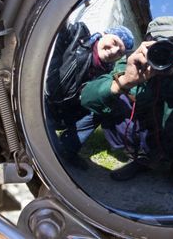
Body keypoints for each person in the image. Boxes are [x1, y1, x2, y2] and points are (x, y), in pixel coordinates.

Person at [80, 16, 173, 191]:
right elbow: (87, 99)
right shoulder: (132, 63)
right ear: (146, 43)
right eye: (159, 43)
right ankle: (140, 160)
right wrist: (124, 81)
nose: (167, 49)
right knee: (109, 96)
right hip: (141, 135)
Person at [45, 21, 134, 170]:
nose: (113, 51)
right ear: (104, 34)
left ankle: (68, 149)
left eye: (120, 52)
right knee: (45, 151)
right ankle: (47, 142)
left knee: (101, 109)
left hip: (67, 113)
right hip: (43, 103)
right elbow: (57, 26)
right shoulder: (76, 38)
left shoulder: (108, 74)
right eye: (114, 42)